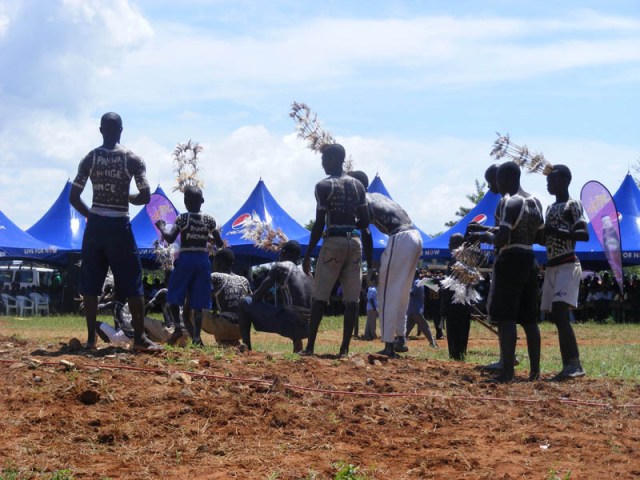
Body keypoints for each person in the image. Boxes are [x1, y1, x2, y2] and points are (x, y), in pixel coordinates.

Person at [69, 112, 161, 352]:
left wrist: (91, 216)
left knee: (91, 284)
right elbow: (145, 196)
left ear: (101, 130)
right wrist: (126, 196)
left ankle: (91, 339)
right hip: (120, 225)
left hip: (96, 226)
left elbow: (74, 197)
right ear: (121, 130)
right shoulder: (132, 159)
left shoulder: (90, 158)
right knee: (132, 281)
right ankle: (139, 339)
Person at [467, 161, 544, 382]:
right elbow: (540, 237)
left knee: (506, 318)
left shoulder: (508, 202)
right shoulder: (535, 202)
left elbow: (501, 239)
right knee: (530, 320)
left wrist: (482, 236)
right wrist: (488, 229)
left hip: (510, 260)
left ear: (509, 178)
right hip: (530, 259)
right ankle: (534, 373)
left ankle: (507, 372)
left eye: (498, 181)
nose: (497, 186)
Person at [301, 144, 370, 357]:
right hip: (354, 243)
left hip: (334, 242)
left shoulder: (323, 186)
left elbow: (319, 223)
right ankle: (344, 350)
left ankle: (310, 347)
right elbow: (366, 221)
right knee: (352, 300)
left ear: (333, 159)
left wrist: (309, 253)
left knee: (320, 296)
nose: (322, 163)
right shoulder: (358, 186)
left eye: (324, 159)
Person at [347, 170, 424, 358]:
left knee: (386, 292)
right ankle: (400, 339)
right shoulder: (377, 196)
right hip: (415, 237)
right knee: (402, 292)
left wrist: (348, 223)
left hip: (400, 238)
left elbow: (365, 230)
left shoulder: (361, 200)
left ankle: (389, 344)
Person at [156, 185, 223, 347]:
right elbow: (219, 243)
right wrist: (207, 237)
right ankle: (196, 337)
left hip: (186, 259)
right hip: (202, 261)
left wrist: (162, 227)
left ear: (185, 202)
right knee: (198, 301)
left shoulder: (182, 219)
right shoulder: (209, 220)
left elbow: (171, 239)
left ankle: (178, 328)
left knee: (173, 294)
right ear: (202, 201)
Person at [540, 164, 589, 380]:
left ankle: (575, 364)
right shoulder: (550, 208)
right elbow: (544, 238)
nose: (549, 183)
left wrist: (555, 232)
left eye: (553, 180)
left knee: (560, 313)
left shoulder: (573, 204)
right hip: (552, 265)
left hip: (568, 264)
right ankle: (568, 364)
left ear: (566, 181)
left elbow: (583, 234)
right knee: (556, 316)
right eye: (548, 180)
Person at [238, 240, 313, 352]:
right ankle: (297, 346)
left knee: (244, 302)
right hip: (309, 327)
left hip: (291, 325)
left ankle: (246, 346)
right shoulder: (307, 272)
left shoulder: (280, 267)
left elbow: (258, 296)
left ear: (283, 253)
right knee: (289, 306)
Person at [206, 248, 252, 346]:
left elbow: (201, 295)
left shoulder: (215, 276)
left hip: (225, 327)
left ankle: (196, 339)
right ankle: (231, 342)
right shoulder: (244, 280)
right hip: (242, 329)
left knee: (193, 308)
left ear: (217, 262)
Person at [441, 233, 472, 360]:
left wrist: (443, 307)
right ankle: (460, 355)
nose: (449, 246)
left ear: (457, 245)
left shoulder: (454, 263)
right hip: (465, 304)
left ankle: (455, 356)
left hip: (454, 305)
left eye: (451, 243)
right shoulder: (469, 262)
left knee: (454, 332)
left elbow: (450, 287)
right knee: (463, 332)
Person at [405, 270, 438, 348]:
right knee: (423, 327)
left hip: (413, 309)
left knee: (409, 328)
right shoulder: (417, 282)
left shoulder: (416, 283)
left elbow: (412, 293)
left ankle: (432, 343)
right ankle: (432, 343)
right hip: (415, 310)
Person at [363, 272, 379, 341]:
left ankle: (367, 335)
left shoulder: (371, 288)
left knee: (369, 322)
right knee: (372, 322)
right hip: (372, 308)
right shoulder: (373, 289)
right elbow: (371, 299)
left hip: (369, 307)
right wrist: (375, 308)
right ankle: (373, 335)